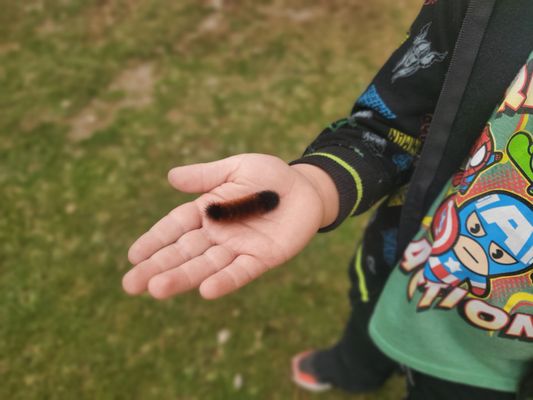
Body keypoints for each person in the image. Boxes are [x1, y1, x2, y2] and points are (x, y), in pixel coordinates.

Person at [122, 1, 533, 398]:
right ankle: (354, 367)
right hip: (396, 268)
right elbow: (395, 126)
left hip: (490, 375)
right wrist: (317, 186)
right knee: (367, 320)